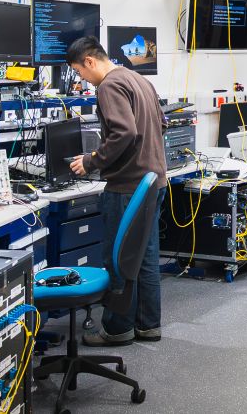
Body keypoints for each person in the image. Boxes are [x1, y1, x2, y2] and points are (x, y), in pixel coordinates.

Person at [66, 36, 168, 346]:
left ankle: (117, 328)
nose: (82, 78)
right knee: (146, 256)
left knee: (118, 258)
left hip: (127, 187)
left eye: (79, 72)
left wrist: (92, 161)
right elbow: (161, 124)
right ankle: (148, 325)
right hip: (153, 181)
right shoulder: (137, 78)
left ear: (90, 62)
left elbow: (125, 132)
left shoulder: (109, 86)